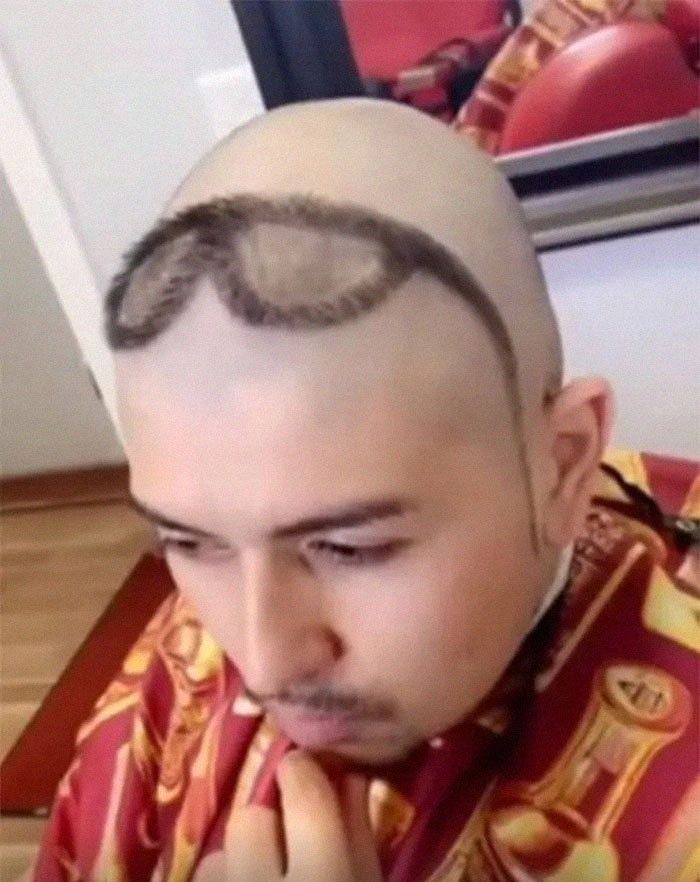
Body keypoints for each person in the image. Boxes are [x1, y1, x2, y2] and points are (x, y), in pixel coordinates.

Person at [29, 98, 699, 882]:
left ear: (564, 465)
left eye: (349, 548)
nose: (264, 660)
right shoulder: (187, 661)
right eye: (189, 541)